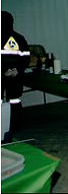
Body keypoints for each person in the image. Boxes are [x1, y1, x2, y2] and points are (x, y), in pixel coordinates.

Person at [1, 11, 30, 142]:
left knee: (11, 101)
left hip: (9, 75)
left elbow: (25, 57)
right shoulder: (19, 38)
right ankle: (14, 127)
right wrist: (17, 70)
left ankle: (5, 128)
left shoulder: (18, 38)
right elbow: (26, 58)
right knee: (14, 100)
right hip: (13, 75)